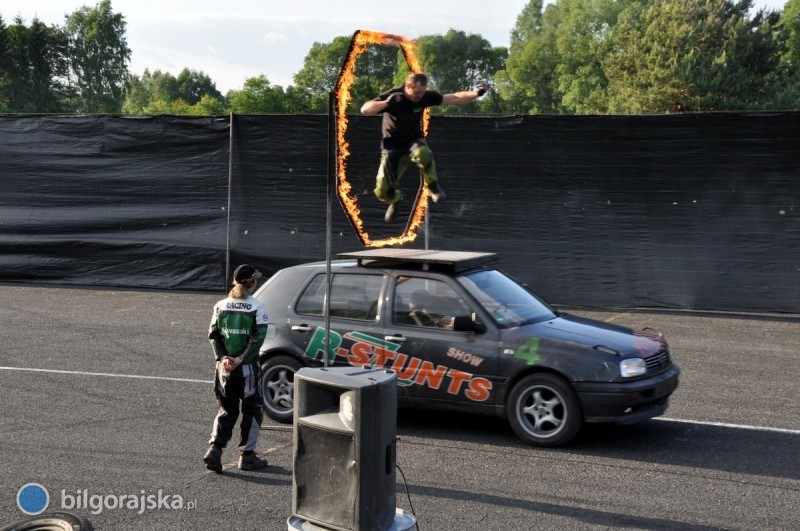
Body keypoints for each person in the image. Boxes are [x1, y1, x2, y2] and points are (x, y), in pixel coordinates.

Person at [361, 73, 490, 222]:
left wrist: (477, 93)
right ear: (407, 87)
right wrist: (386, 103)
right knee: (382, 192)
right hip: (392, 147)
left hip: (413, 141)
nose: (419, 96)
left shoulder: (426, 97)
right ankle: (396, 200)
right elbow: (365, 110)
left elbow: (455, 97)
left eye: (422, 93)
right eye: (416, 93)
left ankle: (433, 186)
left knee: (423, 152)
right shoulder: (394, 95)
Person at [203, 264, 270, 473]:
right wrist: (241, 359)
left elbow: (213, 335)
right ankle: (247, 456)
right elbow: (258, 338)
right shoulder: (256, 307)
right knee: (252, 409)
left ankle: (214, 450)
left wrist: (223, 357)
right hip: (247, 368)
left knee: (226, 410)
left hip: (224, 369)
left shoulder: (220, 305)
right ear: (252, 282)